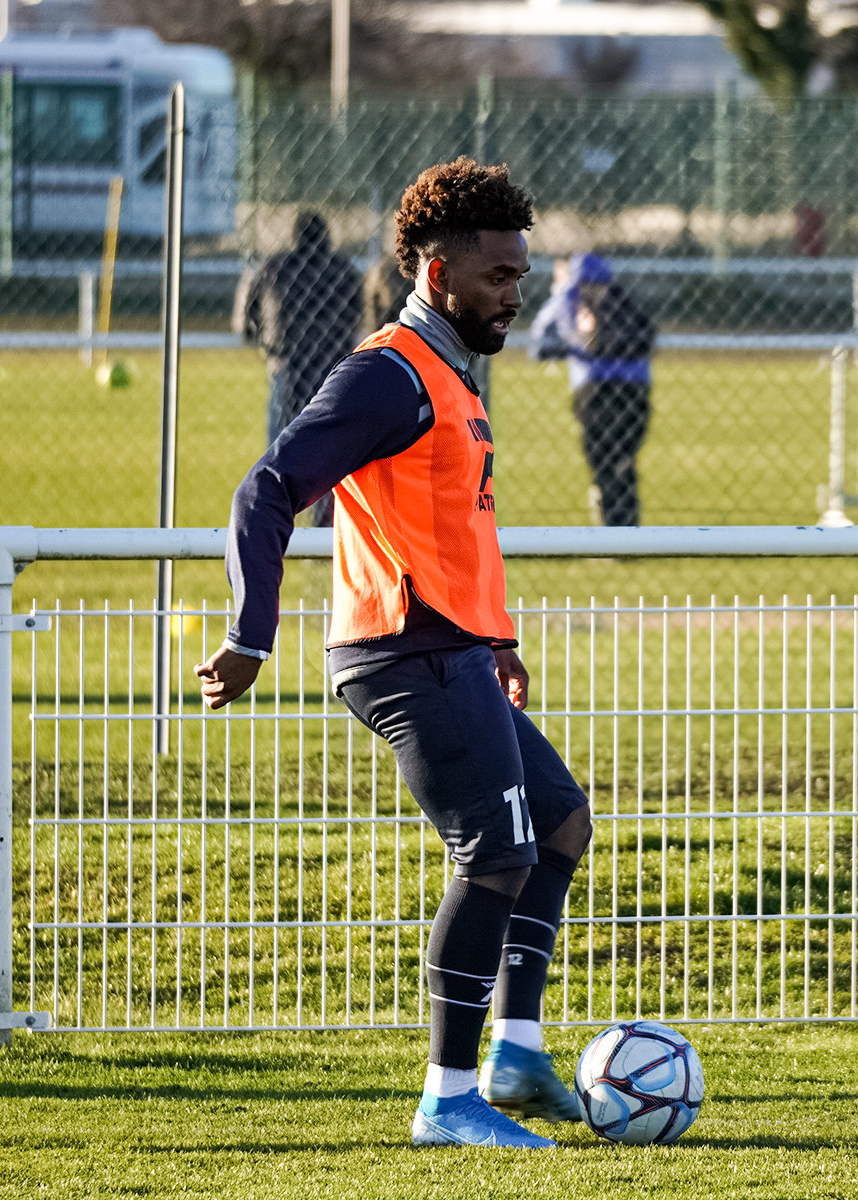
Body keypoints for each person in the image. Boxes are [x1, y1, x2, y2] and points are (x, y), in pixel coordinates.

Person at [198, 159, 591, 1150]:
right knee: (493, 855)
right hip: (402, 652)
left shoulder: (450, 371)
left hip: (456, 651)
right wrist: (252, 634)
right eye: (499, 275)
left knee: (558, 822)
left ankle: (512, 1049)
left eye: (521, 273)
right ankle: (448, 1100)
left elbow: (457, 527)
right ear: (435, 266)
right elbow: (267, 489)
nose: (516, 292)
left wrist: (497, 640)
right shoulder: (386, 373)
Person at [233, 210, 364, 526]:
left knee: (280, 443)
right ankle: (326, 520)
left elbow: (249, 317)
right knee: (331, 448)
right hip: (332, 369)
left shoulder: (274, 268)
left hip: (286, 363)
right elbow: (356, 313)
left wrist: (258, 337)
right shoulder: (343, 269)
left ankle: (272, 518)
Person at [529, 252, 655, 526]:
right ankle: (629, 528)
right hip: (636, 389)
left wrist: (566, 349)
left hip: (594, 390)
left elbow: (539, 343)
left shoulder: (567, 298)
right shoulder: (624, 300)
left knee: (602, 461)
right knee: (623, 459)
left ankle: (610, 534)